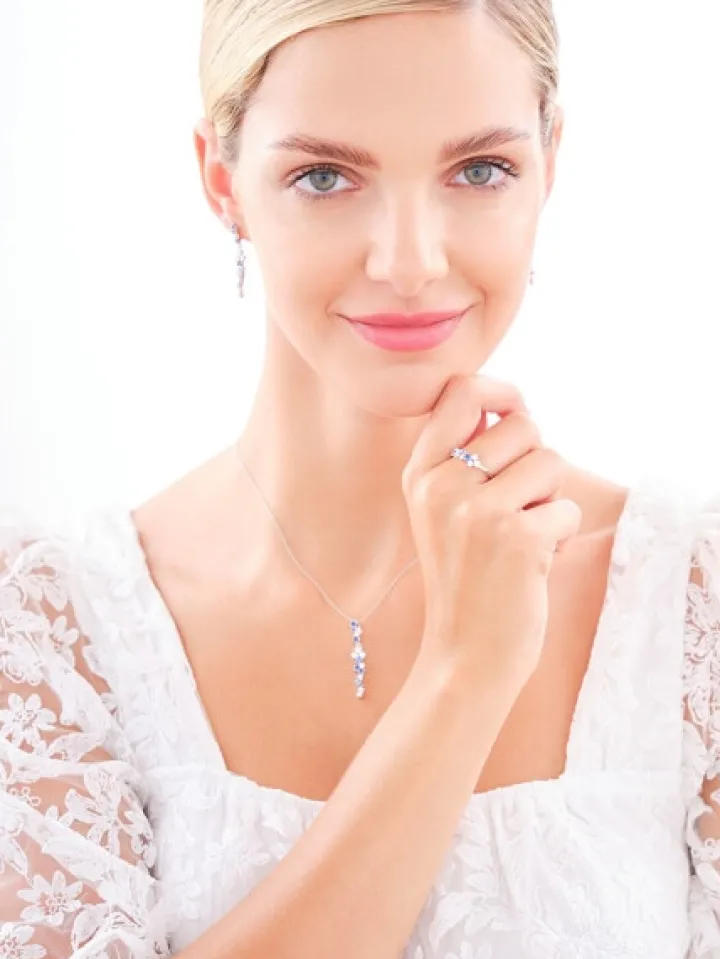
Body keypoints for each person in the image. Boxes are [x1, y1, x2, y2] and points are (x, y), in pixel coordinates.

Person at [2, 1, 720, 957]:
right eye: (325, 176)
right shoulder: (55, 631)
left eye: (480, 169)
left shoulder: (691, 604)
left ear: (550, 161)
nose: (410, 262)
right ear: (222, 181)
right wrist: (462, 675)